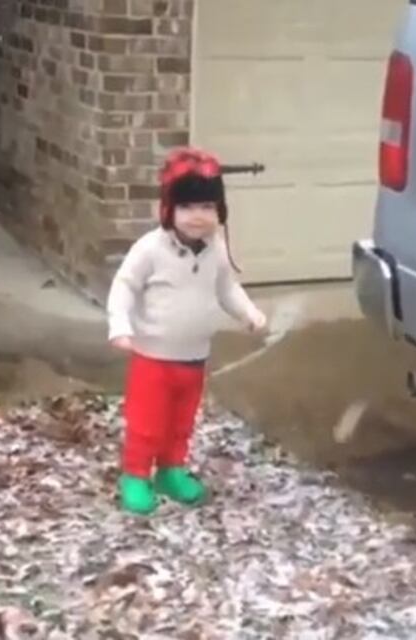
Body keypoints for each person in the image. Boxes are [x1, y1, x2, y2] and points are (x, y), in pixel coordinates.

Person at [106, 147, 267, 515]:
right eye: (188, 207)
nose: (198, 216)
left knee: (181, 421)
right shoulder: (150, 249)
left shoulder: (216, 249)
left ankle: (171, 470)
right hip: (153, 358)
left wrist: (248, 313)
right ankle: (135, 475)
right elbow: (124, 286)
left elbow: (227, 288)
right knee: (147, 422)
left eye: (208, 207)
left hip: (194, 357)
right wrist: (120, 325)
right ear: (169, 209)